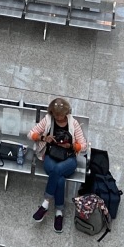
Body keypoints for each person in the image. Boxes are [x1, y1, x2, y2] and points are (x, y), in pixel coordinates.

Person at [29, 97, 88, 232]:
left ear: (66, 112)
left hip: (69, 159)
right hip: (51, 156)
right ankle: (59, 212)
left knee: (56, 171)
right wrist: (44, 138)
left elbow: (83, 146)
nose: (59, 117)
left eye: (61, 115)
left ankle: (45, 204)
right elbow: (31, 134)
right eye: (56, 115)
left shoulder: (73, 123)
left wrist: (71, 146)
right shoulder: (48, 120)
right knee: (59, 178)